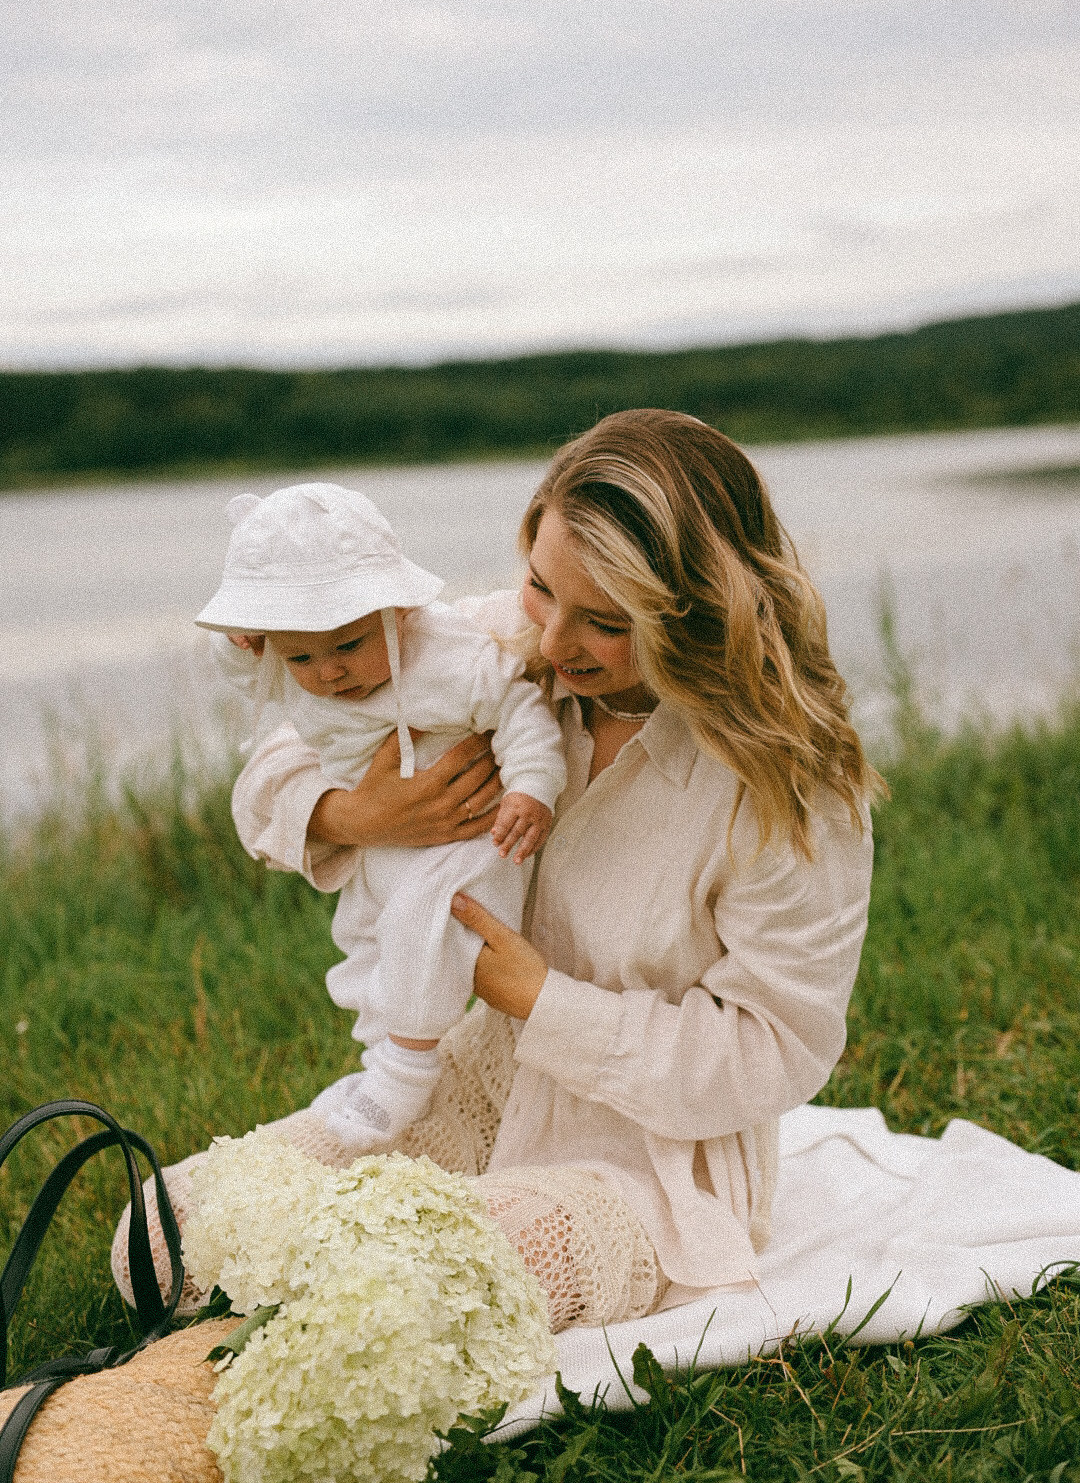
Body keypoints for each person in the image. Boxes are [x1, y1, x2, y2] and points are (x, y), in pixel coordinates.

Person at [113, 409, 881, 1334]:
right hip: (474, 1084)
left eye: (605, 622)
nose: (554, 643)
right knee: (160, 1239)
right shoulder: (498, 648)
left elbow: (775, 1051)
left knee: (400, 1288)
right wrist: (359, 814)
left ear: (701, 613)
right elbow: (273, 763)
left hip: (652, 1161)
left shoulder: (790, 789)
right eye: (539, 587)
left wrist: (536, 996)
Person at [195, 482, 566, 1153]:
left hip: (474, 836)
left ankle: (406, 1067)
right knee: (371, 942)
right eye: (302, 657)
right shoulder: (292, 658)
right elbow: (244, 676)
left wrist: (532, 788)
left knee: (424, 919)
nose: (330, 673)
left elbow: (517, 708)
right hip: (387, 843)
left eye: (349, 646)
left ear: (398, 609)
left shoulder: (445, 655)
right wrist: (241, 635)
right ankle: (380, 1060)